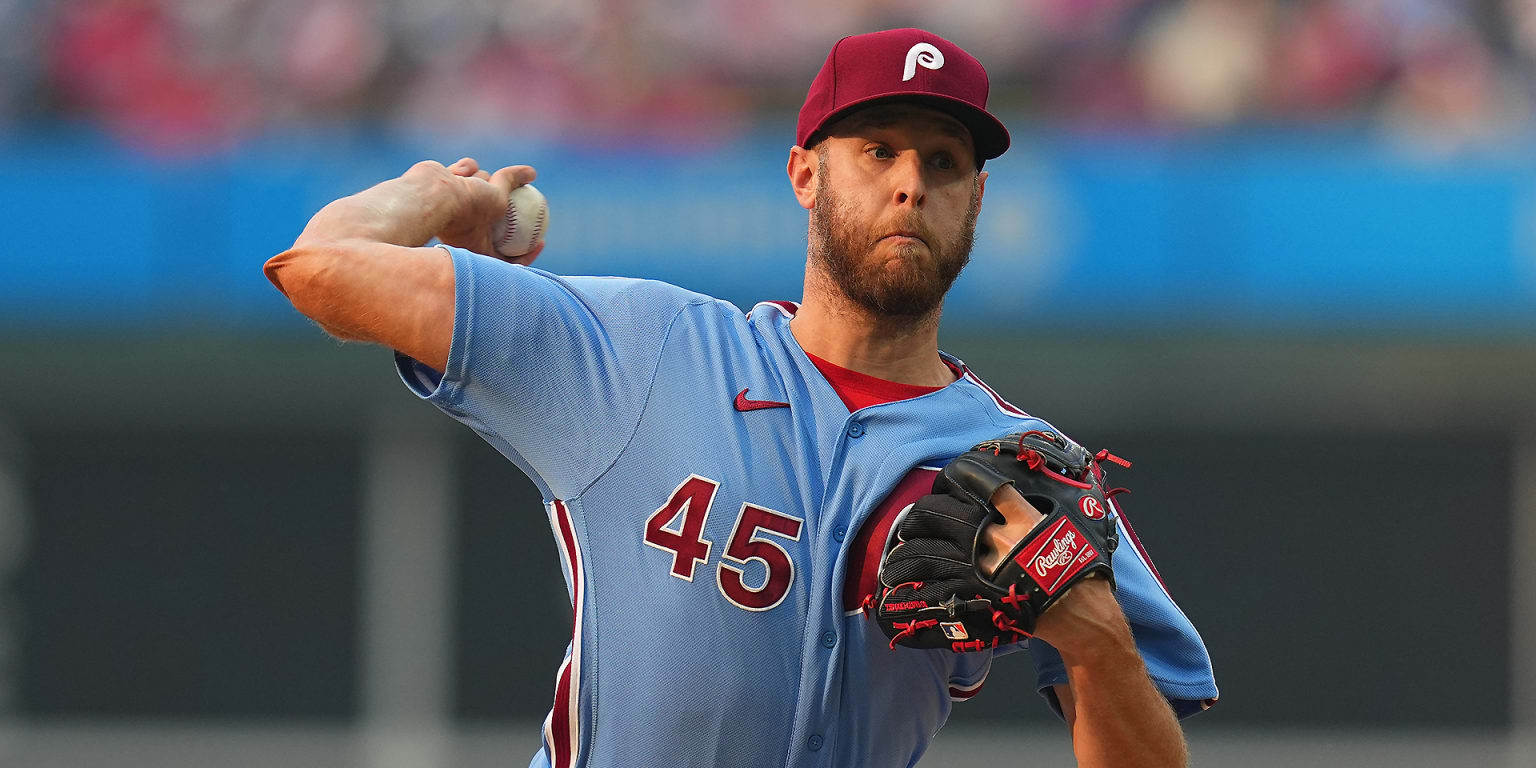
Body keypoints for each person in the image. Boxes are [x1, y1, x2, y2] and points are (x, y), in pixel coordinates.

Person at [264, 28, 1216, 768]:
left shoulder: (1024, 470)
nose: (909, 186)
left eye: (944, 162)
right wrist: (441, 201)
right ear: (805, 172)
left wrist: (1097, 651)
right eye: (877, 150)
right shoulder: (642, 348)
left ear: (976, 198)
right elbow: (318, 266)